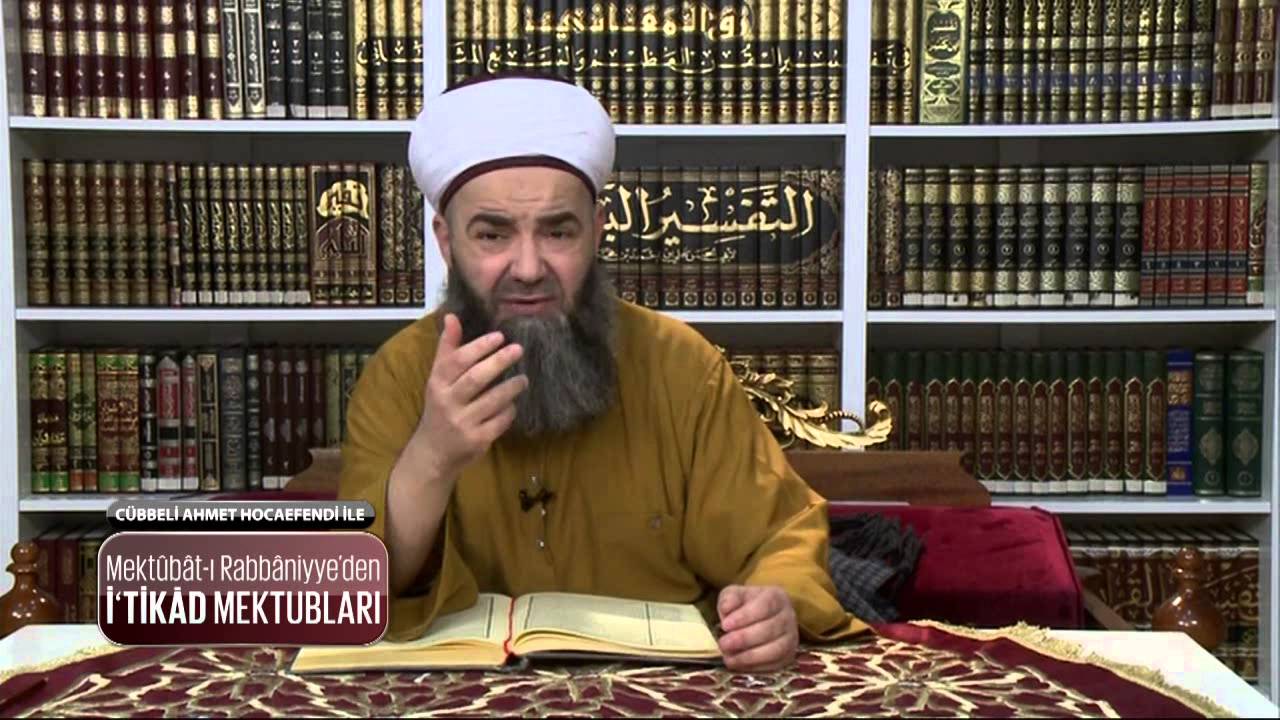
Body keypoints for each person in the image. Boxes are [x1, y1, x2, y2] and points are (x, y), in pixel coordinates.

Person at [338, 73, 867, 672]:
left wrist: (778, 604)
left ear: (597, 228)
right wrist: (432, 456)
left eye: (557, 231)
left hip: (660, 691)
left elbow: (779, 538)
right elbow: (356, 588)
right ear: (445, 240)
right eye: (492, 234)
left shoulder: (681, 366)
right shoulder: (401, 375)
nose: (528, 267)